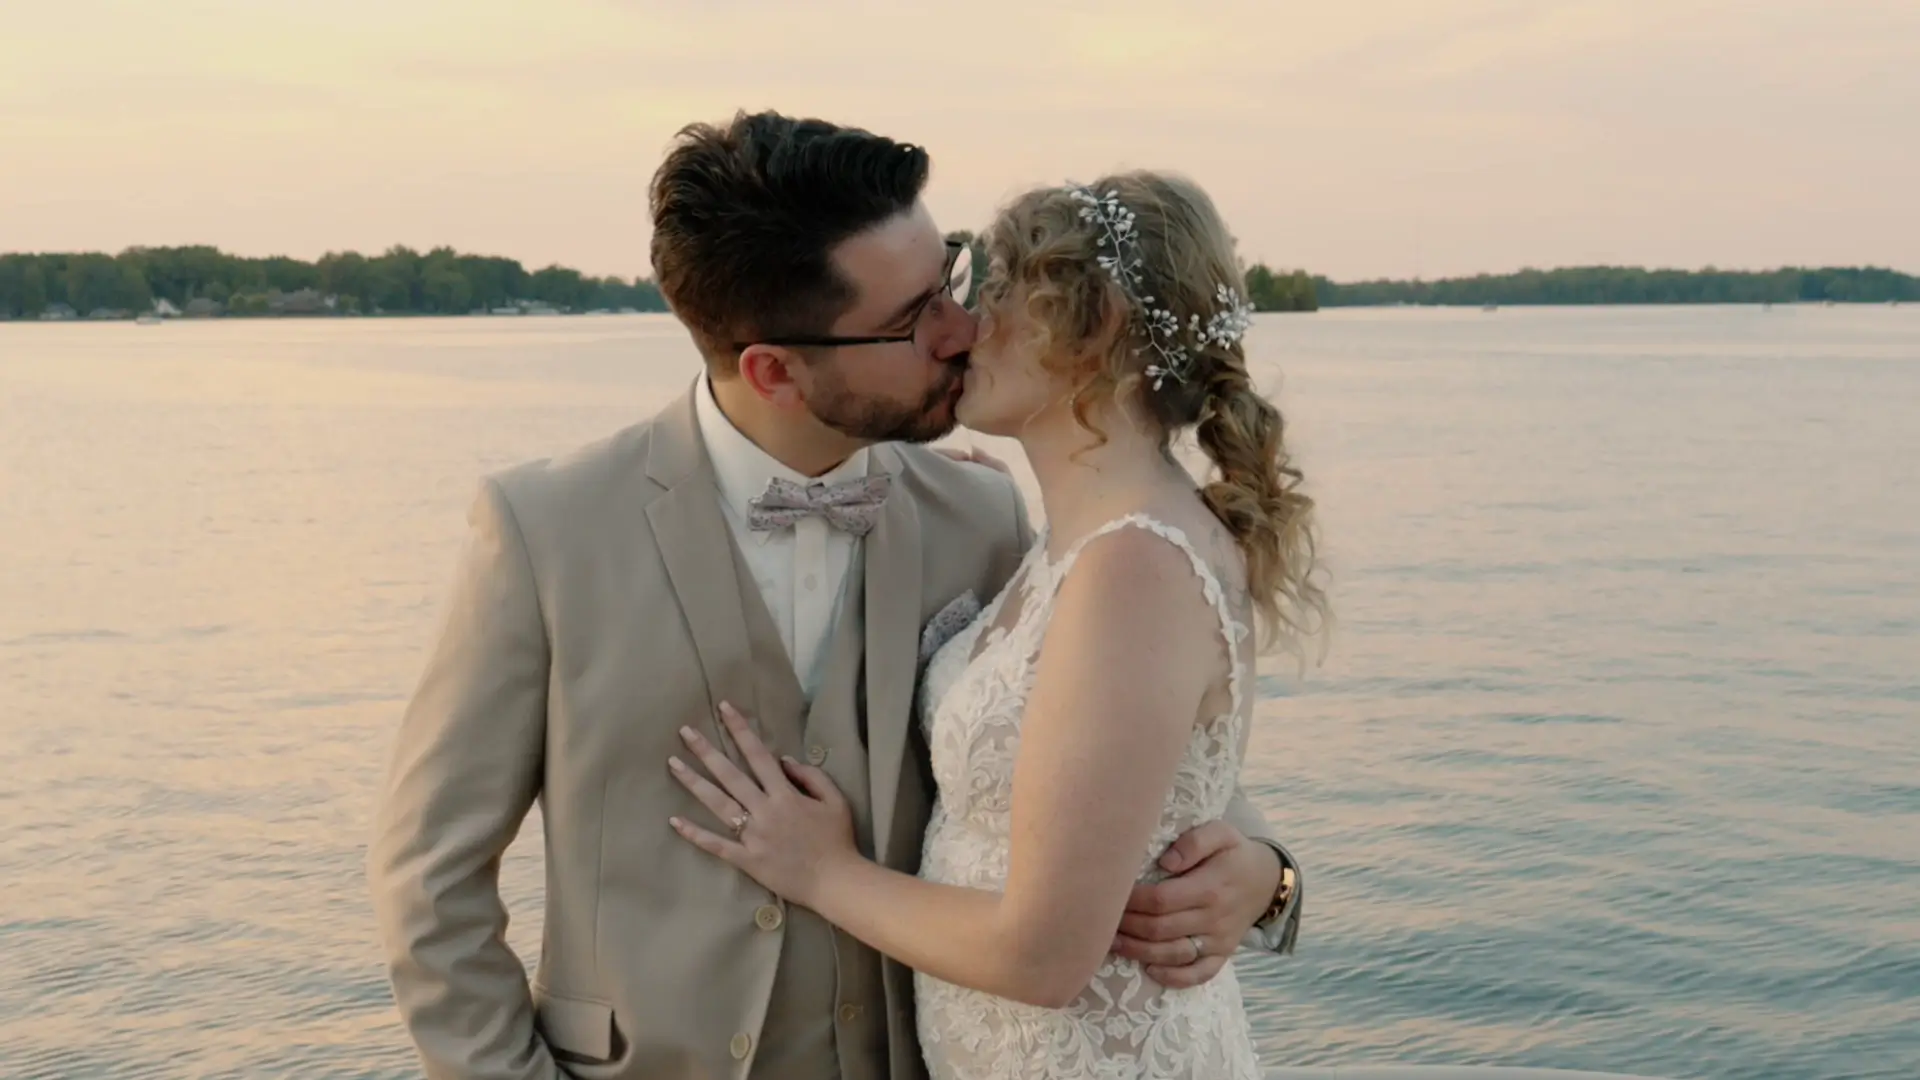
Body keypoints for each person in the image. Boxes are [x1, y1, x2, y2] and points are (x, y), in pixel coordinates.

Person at [367, 111, 1302, 1080]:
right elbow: (429, 882)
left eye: (950, 281)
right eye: (909, 321)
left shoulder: (980, 515)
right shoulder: (545, 531)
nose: (959, 331)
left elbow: (1123, 741)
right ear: (775, 369)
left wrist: (1266, 870)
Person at [666, 170, 1328, 1079]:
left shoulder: (1133, 565)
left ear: (1091, 328)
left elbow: (1044, 957)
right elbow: (1166, 779)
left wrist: (823, 872)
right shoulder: (1067, 541)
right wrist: (1261, 864)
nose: (964, 326)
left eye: (1003, 292)